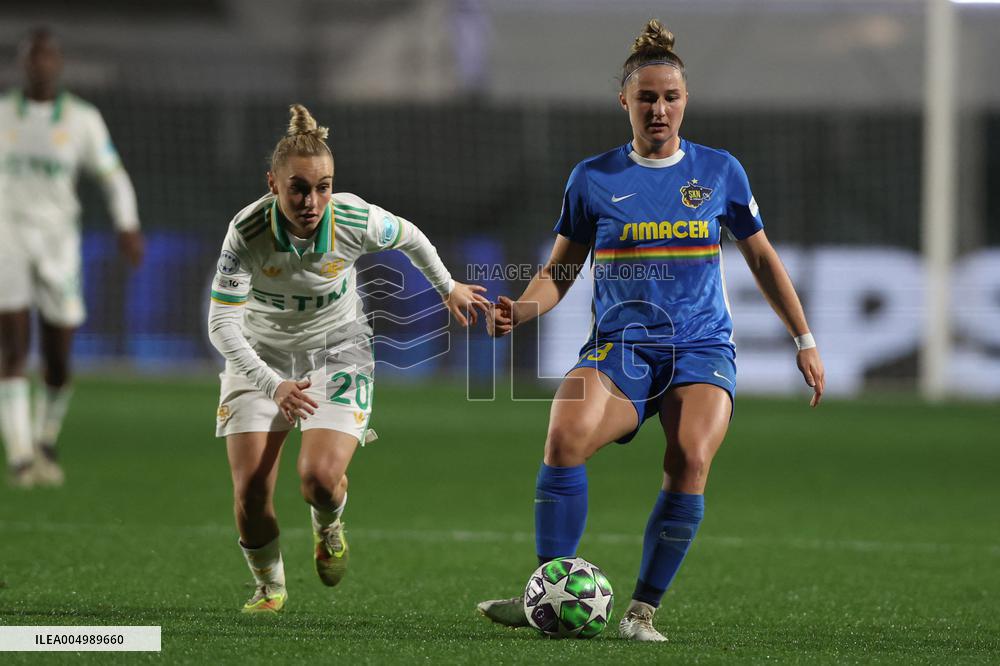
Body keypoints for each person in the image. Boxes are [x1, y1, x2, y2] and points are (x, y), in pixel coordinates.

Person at [476, 19, 825, 641]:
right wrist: (519, 311)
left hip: (700, 346)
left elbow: (763, 260)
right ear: (625, 103)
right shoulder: (594, 178)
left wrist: (804, 340)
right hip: (620, 348)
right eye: (646, 98)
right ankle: (550, 593)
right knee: (564, 434)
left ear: (685, 101)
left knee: (690, 457)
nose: (658, 109)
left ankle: (642, 612)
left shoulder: (720, 172)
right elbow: (558, 271)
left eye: (669, 97)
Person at [208, 104, 489, 614]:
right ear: (272, 183)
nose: (312, 200)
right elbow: (221, 324)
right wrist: (273, 385)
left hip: (338, 351)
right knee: (251, 491)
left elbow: (409, 235)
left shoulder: (354, 218)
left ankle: (328, 523)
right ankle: (269, 588)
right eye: (298, 187)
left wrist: (448, 288)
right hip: (261, 357)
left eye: (323, 187)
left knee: (317, 478)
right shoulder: (247, 232)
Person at [0, 28, 144, 488]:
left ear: (57, 64)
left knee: (59, 356)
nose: (39, 64)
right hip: (7, 235)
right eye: (31, 57)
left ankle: (45, 435)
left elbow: (113, 176)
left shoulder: (82, 119)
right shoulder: (3, 114)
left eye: (47, 57)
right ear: (22, 65)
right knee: (12, 348)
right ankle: (21, 455)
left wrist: (127, 224)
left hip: (59, 242)